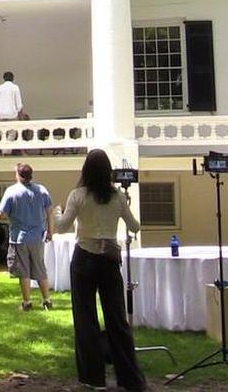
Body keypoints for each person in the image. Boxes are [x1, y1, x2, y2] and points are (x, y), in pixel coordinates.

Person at [53, 149, 146, 391]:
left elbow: (61, 228)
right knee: (117, 318)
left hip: (84, 256)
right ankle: (130, 378)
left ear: (85, 170)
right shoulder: (117, 196)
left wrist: (58, 213)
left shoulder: (78, 195)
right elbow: (135, 226)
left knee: (85, 318)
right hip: (109, 258)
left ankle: (93, 378)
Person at [0, 163, 52, 311]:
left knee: (24, 271)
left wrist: (14, 216)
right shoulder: (42, 190)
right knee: (40, 269)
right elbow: (49, 211)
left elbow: (1, 213)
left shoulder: (11, 191)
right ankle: (47, 300)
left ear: (18, 175)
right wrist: (50, 230)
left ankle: (27, 302)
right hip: (38, 236)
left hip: (19, 237)